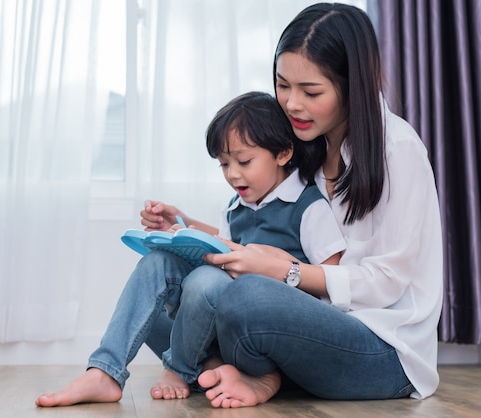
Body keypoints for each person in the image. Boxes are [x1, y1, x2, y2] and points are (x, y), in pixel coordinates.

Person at [184, 2, 442, 409]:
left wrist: (285, 272)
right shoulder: (308, 141)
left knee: (245, 298)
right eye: (283, 85)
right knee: (175, 282)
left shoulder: (398, 149)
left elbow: (387, 282)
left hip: (383, 348)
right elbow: (260, 224)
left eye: (311, 92)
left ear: (352, 84)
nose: (291, 104)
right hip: (312, 324)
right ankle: (241, 371)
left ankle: (246, 371)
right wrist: (188, 230)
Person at [35, 91, 345, 407]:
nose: (233, 174)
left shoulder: (309, 208)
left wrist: (279, 268)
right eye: (224, 164)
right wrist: (183, 226)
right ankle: (105, 371)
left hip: (266, 337)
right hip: (225, 329)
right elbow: (226, 246)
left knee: (205, 282)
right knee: (155, 276)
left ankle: (182, 370)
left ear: (282, 153)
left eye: (244, 161)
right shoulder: (237, 206)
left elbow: (333, 284)